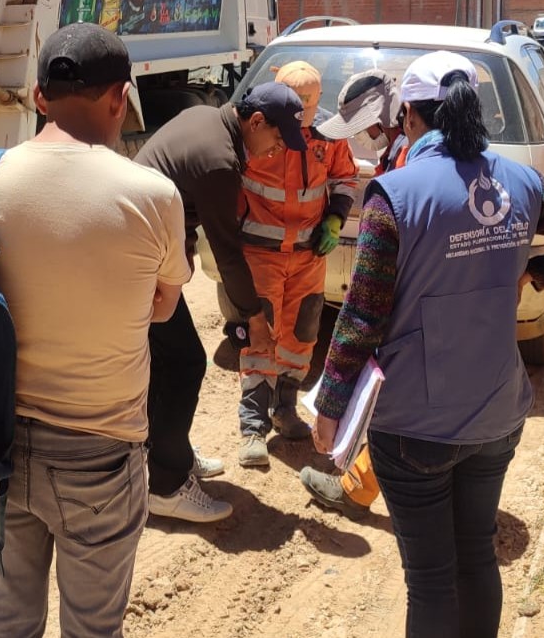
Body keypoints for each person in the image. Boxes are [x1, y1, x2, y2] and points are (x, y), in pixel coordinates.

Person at [314, 51, 544, 636]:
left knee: (432, 580)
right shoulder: (522, 181)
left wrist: (331, 408)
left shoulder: (394, 194)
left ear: (410, 115)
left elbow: (361, 317)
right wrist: (538, 273)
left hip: (415, 424)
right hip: (497, 414)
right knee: (477, 557)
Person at [0, 23, 192, 637]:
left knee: (7, 625)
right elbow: (164, 309)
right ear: (121, 97)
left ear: (39, 97)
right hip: (100, 452)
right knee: (94, 629)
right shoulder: (153, 194)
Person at [134, 82, 310, 522]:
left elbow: (178, 199)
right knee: (186, 362)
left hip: (144, 251)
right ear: (255, 122)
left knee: (163, 362)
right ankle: (166, 485)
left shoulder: (206, 117)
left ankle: (167, 456)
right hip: (137, 260)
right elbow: (227, 249)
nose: (273, 152)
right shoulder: (221, 161)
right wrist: (252, 316)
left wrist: (181, 256)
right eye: (274, 139)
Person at [233, 62, 360, 469]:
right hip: (262, 253)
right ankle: (253, 427)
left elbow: (344, 178)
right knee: (259, 334)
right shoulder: (260, 128)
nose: (302, 113)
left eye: (308, 105)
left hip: (308, 255)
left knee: (302, 333)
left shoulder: (329, 135)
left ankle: (284, 410)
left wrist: (335, 218)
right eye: (296, 104)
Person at [294, 67, 402, 517]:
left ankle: (357, 488)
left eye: (366, 128)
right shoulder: (403, 151)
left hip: (405, 300)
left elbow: (361, 308)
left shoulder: (406, 160)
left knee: (393, 401)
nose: (364, 138)